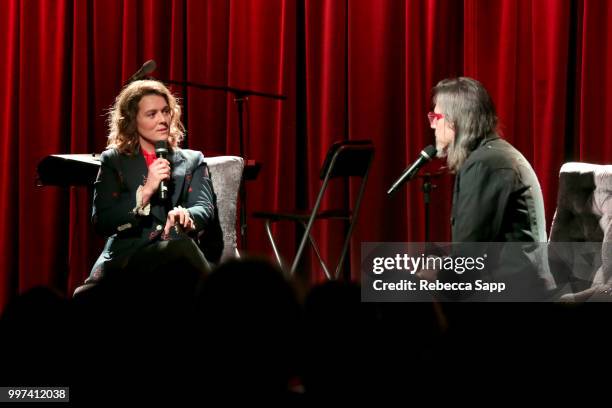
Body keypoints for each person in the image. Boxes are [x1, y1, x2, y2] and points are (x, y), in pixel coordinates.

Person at [427, 77, 553, 300]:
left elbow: (468, 257)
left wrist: (434, 276)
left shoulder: (486, 163)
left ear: (456, 121)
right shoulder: (492, 155)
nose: (432, 125)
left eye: (436, 117)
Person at [82, 79, 215, 291]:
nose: (162, 119)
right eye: (152, 114)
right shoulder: (114, 161)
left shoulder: (192, 160)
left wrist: (187, 216)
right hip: (129, 257)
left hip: (176, 253)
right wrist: (144, 193)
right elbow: (103, 221)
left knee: (181, 247)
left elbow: (203, 207)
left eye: (165, 111)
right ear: (133, 120)